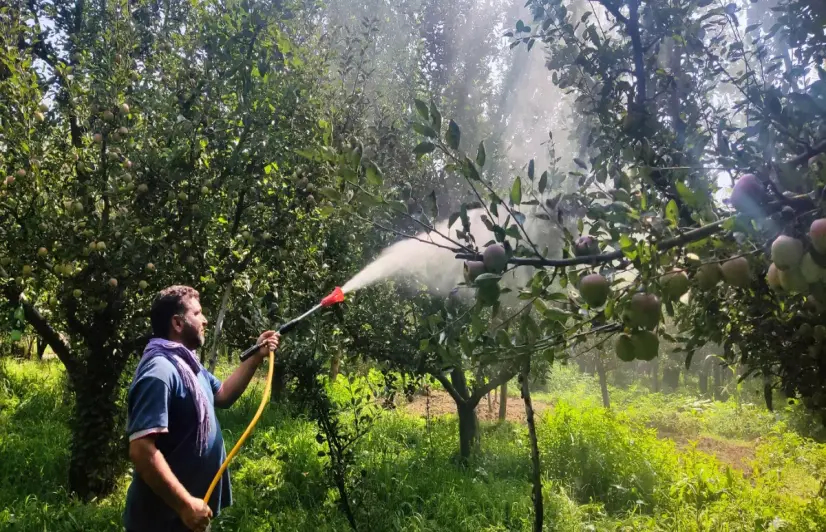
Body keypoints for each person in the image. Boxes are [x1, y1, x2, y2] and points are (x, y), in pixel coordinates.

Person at [124, 285, 279, 532]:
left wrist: (256, 355)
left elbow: (223, 395)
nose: (205, 320)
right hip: (163, 520)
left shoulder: (188, 365)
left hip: (189, 514)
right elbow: (141, 450)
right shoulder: (160, 371)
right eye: (197, 314)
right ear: (177, 323)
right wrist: (185, 505)